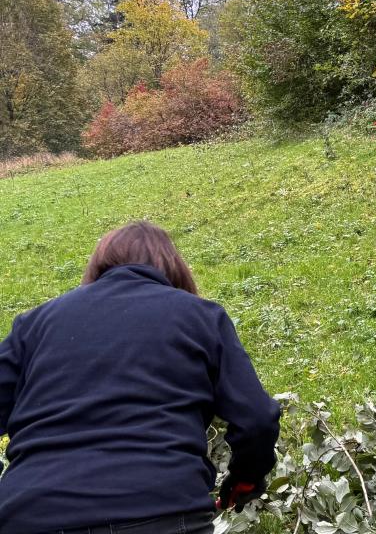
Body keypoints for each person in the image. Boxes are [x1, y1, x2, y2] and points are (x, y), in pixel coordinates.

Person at [0, 222, 281, 534]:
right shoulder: (200, 317)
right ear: (173, 268)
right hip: (165, 512)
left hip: (30, 514)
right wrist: (244, 479)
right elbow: (257, 420)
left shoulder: (34, 325)